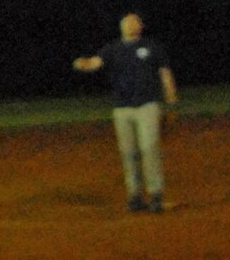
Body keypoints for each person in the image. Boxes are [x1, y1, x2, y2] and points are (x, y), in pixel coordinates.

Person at [73, 12, 179, 212]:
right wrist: (82, 64)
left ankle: (156, 195)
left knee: (149, 149)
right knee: (129, 153)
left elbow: (165, 74)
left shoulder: (152, 47)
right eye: (127, 22)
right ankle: (135, 196)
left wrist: (171, 101)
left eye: (134, 21)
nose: (131, 24)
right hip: (122, 108)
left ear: (141, 26)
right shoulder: (112, 49)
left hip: (148, 105)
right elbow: (95, 63)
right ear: (121, 27)